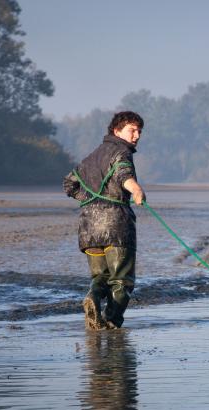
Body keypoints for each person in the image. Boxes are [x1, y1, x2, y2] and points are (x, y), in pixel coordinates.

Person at [63, 111, 146, 330]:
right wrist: (136, 190)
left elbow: (69, 184)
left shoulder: (91, 156)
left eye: (139, 131)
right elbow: (122, 174)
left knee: (100, 276)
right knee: (121, 280)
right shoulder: (121, 152)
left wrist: (90, 200)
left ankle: (92, 296)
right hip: (116, 226)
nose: (137, 135)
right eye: (132, 130)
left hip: (89, 228)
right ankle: (111, 322)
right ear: (116, 131)